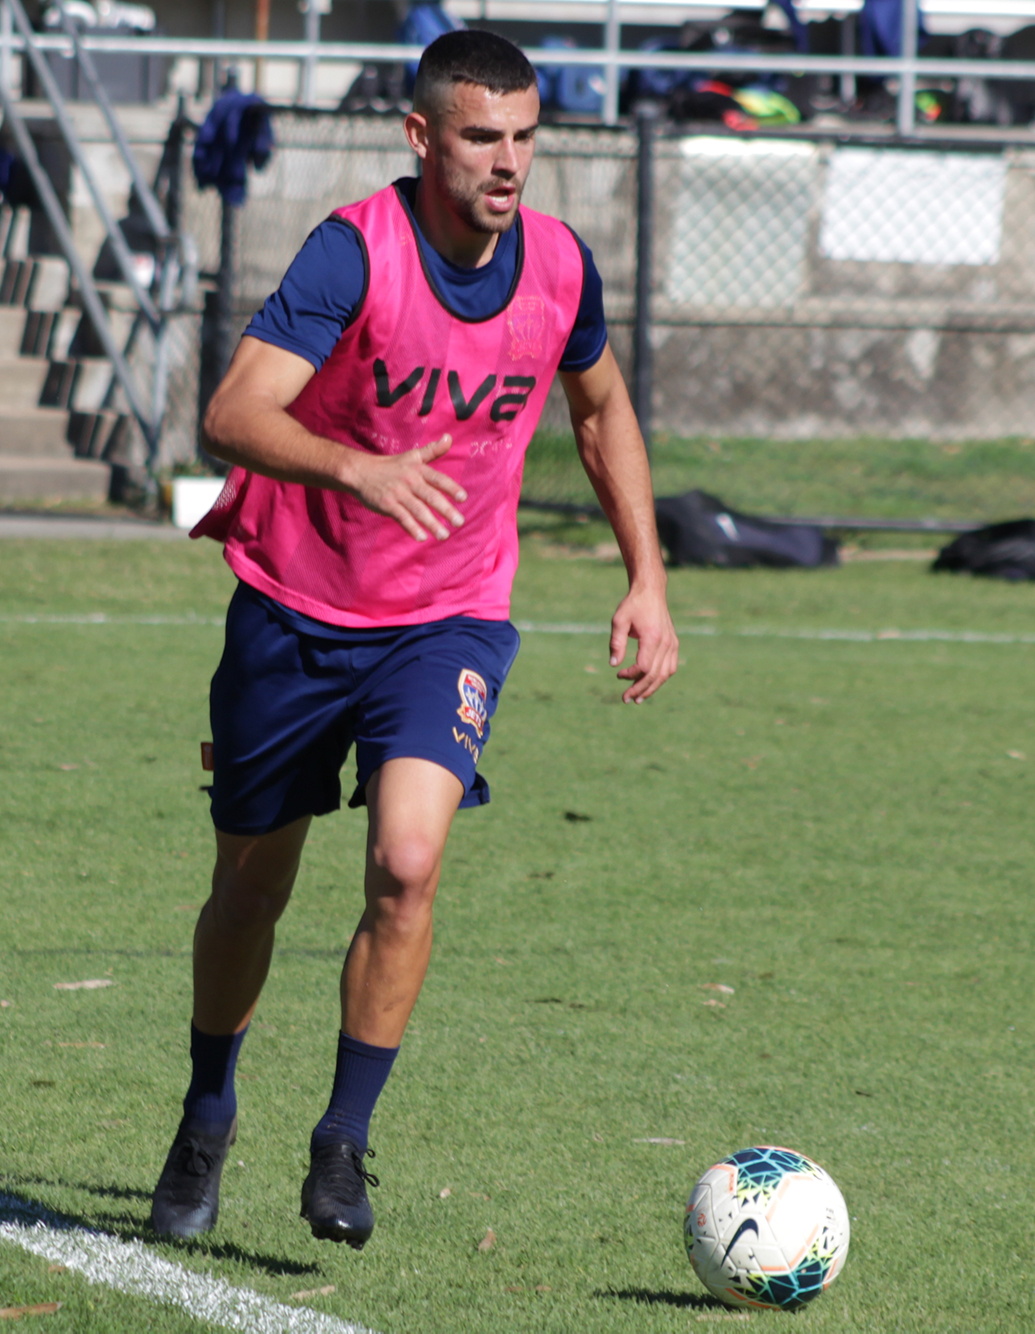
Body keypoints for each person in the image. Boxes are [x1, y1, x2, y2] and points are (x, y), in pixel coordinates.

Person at [148, 29, 679, 1251]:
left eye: (526, 138)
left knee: (406, 860)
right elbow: (231, 411)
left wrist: (647, 576)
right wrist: (356, 468)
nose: (509, 162)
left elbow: (601, 411)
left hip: (448, 618)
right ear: (422, 136)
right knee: (251, 886)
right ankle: (207, 1110)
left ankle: (342, 1140)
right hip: (295, 606)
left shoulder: (559, 266)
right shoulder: (354, 252)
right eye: (483, 137)